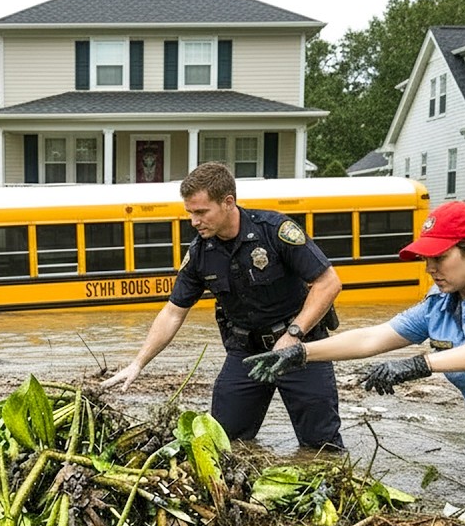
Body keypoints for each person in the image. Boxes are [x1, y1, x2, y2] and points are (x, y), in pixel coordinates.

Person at [245, 201, 465, 522]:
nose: (430, 267)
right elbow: (373, 337)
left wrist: (421, 364)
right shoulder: (438, 307)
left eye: (439, 257)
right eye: (426, 258)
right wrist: (299, 353)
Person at [102, 162, 345, 449]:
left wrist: (293, 335)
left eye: (201, 212)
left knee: (321, 446)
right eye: (190, 213)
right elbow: (173, 312)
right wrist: (137, 363)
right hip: (247, 351)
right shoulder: (201, 253)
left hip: (300, 347)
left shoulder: (275, 231)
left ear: (228, 202)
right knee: (223, 441)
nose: (194, 221)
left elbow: (328, 282)